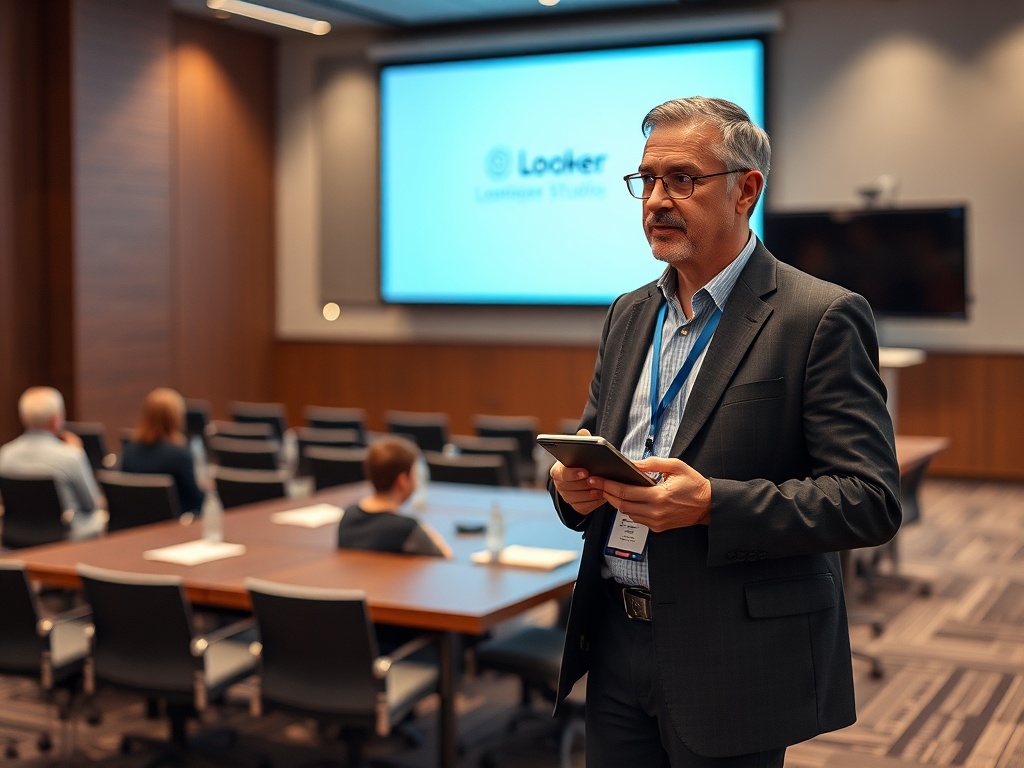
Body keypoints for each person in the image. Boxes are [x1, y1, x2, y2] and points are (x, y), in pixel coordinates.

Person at [548, 96, 902, 768]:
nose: (655, 200)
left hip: (732, 654)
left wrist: (712, 503)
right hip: (616, 637)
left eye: (682, 179)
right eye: (646, 180)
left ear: (746, 190)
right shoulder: (628, 315)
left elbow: (869, 498)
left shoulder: (819, 317)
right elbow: (595, 440)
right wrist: (569, 484)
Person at [0, 386, 106, 539]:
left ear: (23, 418)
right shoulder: (71, 455)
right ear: (56, 419)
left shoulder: (4, 454)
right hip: (64, 535)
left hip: (15, 536)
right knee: (100, 517)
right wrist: (79, 453)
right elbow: (91, 503)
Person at [337, 436, 452, 558]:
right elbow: (445, 557)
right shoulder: (406, 528)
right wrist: (426, 530)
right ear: (402, 481)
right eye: (414, 474)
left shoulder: (349, 514)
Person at [121, 387, 206, 515]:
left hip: (135, 526)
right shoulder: (179, 455)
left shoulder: (128, 451)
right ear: (175, 418)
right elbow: (197, 501)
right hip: (173, 528)